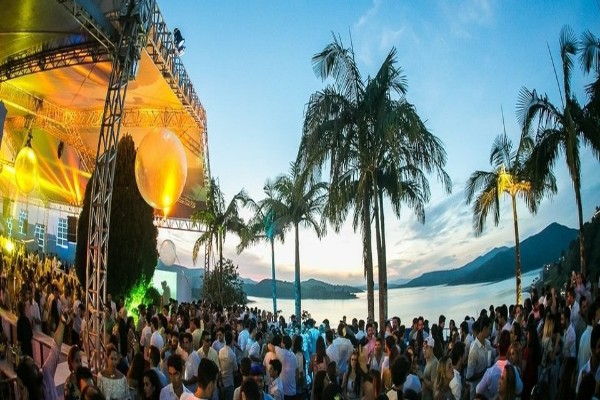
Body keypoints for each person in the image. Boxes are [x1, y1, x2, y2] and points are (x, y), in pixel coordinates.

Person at [16, 309, 68, 400]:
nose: (19, 393)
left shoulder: (46, 374)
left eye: (20, 388)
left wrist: (63, 321)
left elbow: (56, 346)